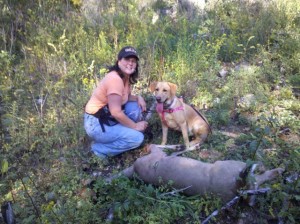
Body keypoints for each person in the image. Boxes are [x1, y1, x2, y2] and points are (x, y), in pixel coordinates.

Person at [84, 46, 148, 159]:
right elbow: (116, 112)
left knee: (134, 107)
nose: (130, 63)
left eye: (133, 61)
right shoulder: (114, 79)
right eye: (127, 59)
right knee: (137, 138)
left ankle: (122, 132)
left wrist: (139, 97)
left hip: (107, 118)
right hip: (96, 124)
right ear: (119, 61)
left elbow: (126, 97)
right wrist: (135, 126)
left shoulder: (125, 77)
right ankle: (98, 150)